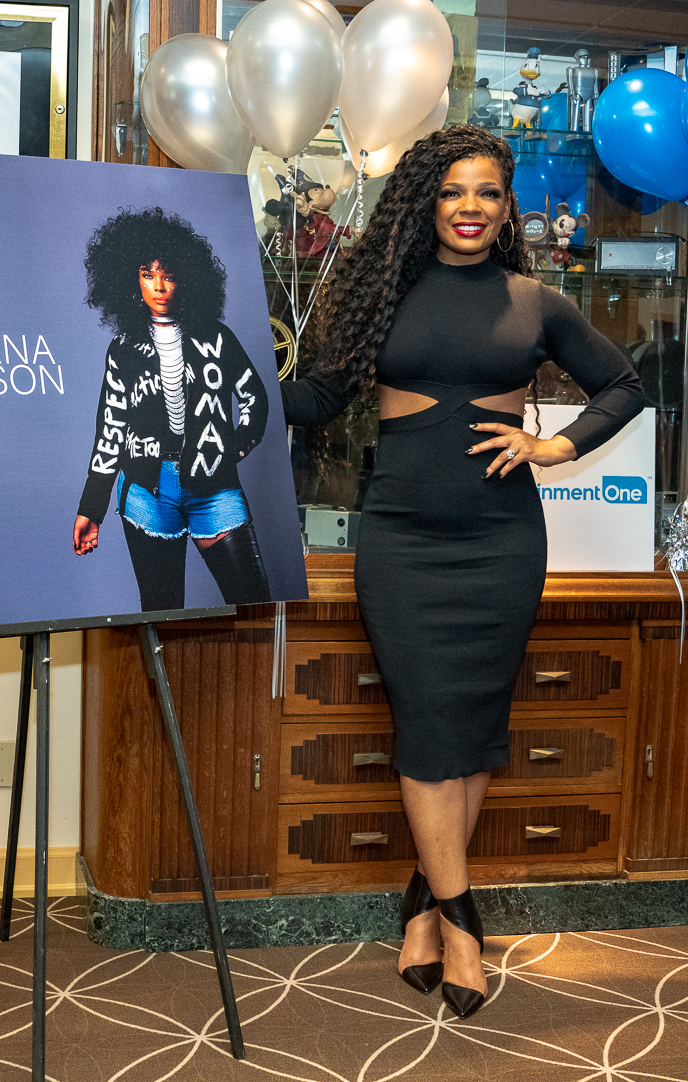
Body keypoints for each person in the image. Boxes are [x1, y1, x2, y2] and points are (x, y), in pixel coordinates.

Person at [280, 125, 643, 1019]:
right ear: (425, 203)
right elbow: (319, 396)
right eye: (452, 191)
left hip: (502, 542)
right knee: (428, 727)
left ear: (508, 206)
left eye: (487, 192)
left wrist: (554, 445)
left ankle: (422, 907)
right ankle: (464, 924)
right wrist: (228, 381)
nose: (470, 207)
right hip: (402, 540)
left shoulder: (536, 302)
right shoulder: (380, 293)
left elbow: (625, 386)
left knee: (472, 729)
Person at [73, 206, 272, 610]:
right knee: (162, 616)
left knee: (254, 608)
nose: (159, 286)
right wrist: (92, 507)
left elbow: (255, 398)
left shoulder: (217, 337)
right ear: (132, 280)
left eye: (169, 275)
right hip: (148, 492)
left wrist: (231, 448)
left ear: (188, 279)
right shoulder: (123, 350)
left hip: (214, 485)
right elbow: (110, 432)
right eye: (148, 275)